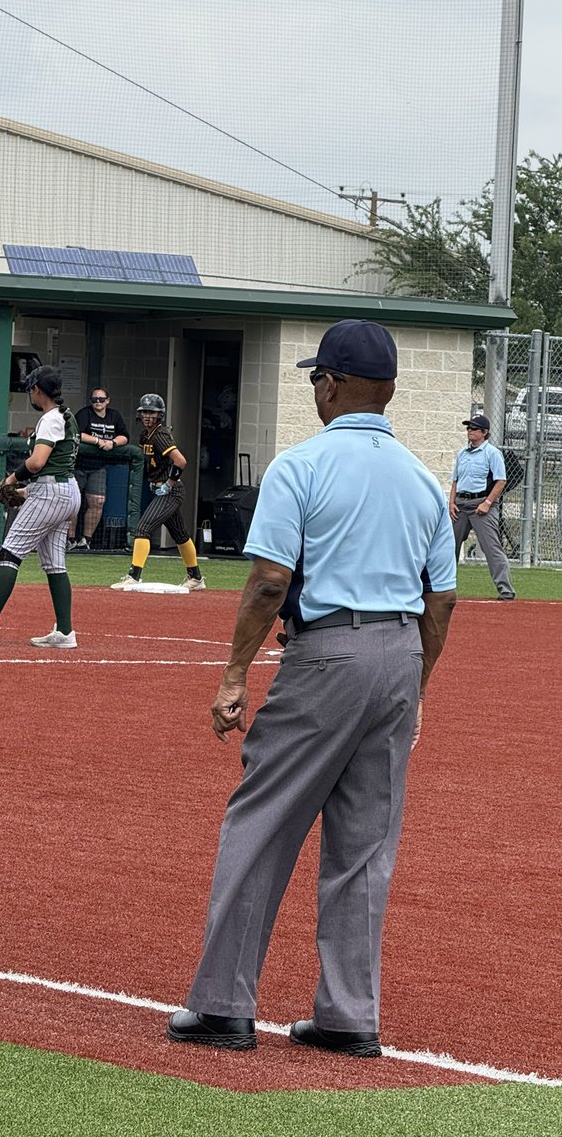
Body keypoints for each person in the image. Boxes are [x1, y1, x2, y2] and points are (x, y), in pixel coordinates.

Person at [166, 319, 456, 1057]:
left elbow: (269, 582)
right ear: (387, 389)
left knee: (262, 821)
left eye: (316, 379)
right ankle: (349, 1015)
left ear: (332, 384)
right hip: (398, 653)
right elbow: (442, 598)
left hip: (326, 653)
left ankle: (225, 1003)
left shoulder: (301, 466)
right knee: (365, 846)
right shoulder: (425, 479)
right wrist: (415, 684)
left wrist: (233, 676)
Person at [0, 365, 81, 648]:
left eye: (31, 390)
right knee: (55, 564)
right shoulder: (67, 415)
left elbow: (37, 463)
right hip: (66, 490)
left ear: (38, 390)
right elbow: (53, 466)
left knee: (9, 553)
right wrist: (26, 490)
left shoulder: (49, 419)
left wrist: (11, 479)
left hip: (52, 492)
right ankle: (65, 632)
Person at [110, 393, 205, 591]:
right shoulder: (146, 435)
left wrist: (169, 483)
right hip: (160, 488)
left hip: (170, 490)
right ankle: (195, 577)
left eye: (151, 412)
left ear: (159, 415)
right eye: (144, 411)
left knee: (143, 528)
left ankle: (133, 576)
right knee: (180, 534)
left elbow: (181, 461)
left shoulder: (160, 435)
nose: (147, 415)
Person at [449, 415, 515, 601]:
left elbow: (501, 481)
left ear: (484, 433)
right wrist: (451, 503)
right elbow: (455, 481)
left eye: (474, 428)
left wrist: (487, 503)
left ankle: (506, 590)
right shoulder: (462, 454)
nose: (470, 431)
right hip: (460, 505)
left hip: (481, 505)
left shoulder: (492, 453)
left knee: (491, 547)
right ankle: (445, 589)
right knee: (448, 546)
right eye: (469, 428)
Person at [68, 387, 130, 551]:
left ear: (108, 400)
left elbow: (125, 436)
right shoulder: (84, 414)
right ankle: (70, 539)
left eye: (101, 399)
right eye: (95, 399)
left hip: (99, 466)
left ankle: (85, 540)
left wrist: (113, 442)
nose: (98, 402)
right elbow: (77, 433)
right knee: (73, 502)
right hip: (78, 465)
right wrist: (97, 441)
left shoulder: (114, 416)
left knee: (98, 501)